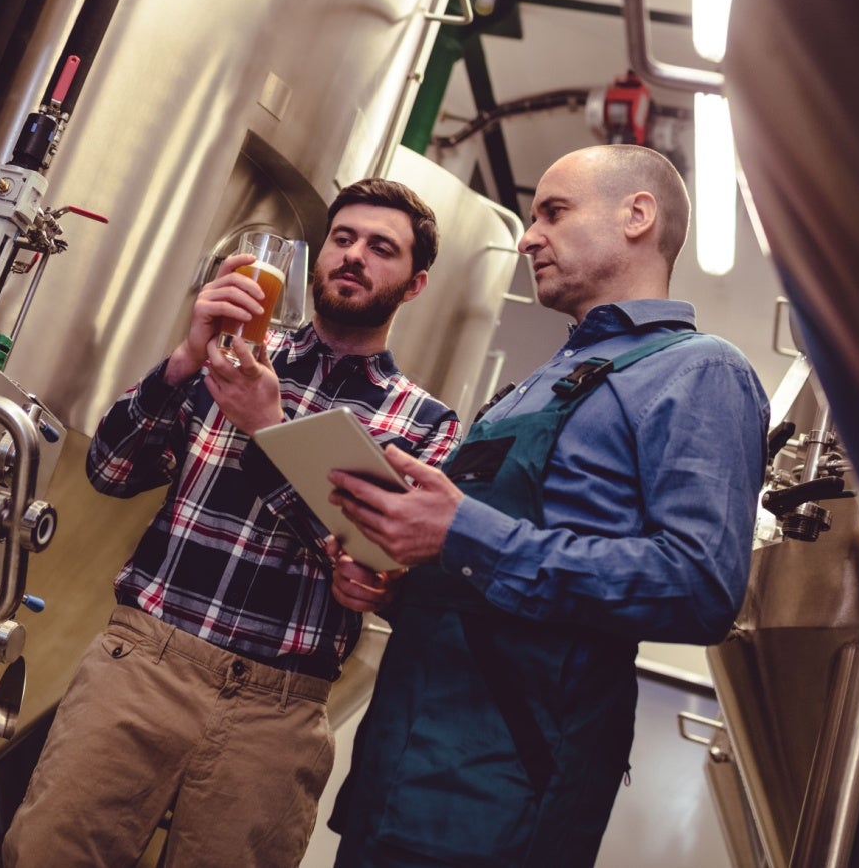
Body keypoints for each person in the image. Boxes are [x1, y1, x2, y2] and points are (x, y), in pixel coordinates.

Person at [326, 145, 769, 867]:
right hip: (398, 770)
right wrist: (398, 587)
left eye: (553, 212)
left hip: (507, 794)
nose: (529, 236)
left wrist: (462, 528)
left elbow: (701, 586)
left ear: (638, 215)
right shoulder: (538, 383)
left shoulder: (700, 371)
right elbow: (483, 572)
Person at [3, 179, 462, 868]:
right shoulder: (235, 352)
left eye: (380, 247)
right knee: (45, 854)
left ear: (416, 283)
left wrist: (267, 430)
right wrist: (183, 358)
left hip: (279, 711)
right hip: (146, 663)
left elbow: (370, 566)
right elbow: (110, 471)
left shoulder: (426, 424)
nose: (354, 255)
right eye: (342, 238)